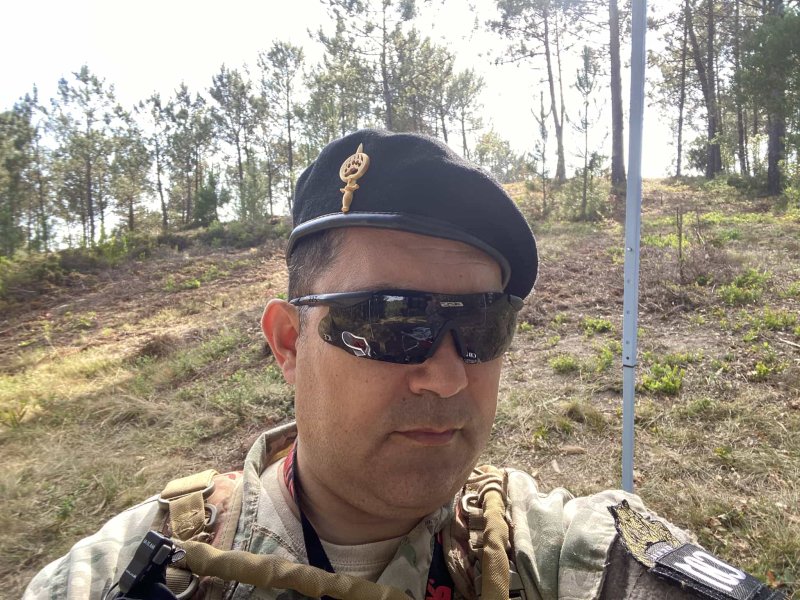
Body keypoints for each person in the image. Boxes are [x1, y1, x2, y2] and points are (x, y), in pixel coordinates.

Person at [24, 130, 783, 600]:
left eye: (481, 326)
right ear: (288, 343)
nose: (447, 378)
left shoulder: (548, 555)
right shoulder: (139, 572)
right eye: (392, 324)